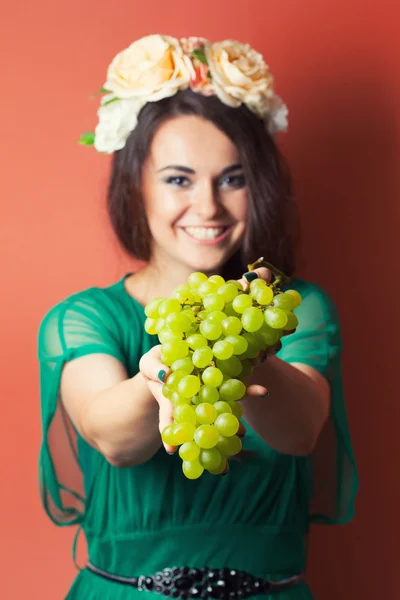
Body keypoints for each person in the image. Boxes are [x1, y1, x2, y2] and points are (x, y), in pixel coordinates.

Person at [37, 35, 359, 600]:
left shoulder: (294, 309)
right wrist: (160, 374)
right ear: (136, 187)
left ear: (257, 187)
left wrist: (247, 345)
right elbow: (113, 437)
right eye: (178, 179)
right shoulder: (83, 317)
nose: (208, 207)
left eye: (232, 179)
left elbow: (301, 429)